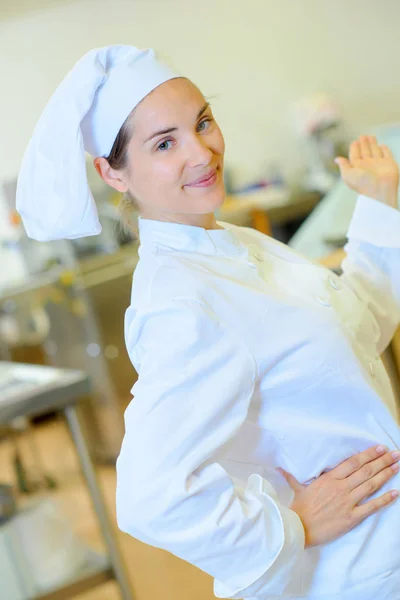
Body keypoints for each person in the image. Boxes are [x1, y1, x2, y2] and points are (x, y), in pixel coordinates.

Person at [16, 45, 400, 600]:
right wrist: (295, 526)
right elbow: (151, 496)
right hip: (348, 575)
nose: (202, 152)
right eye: (165, 143)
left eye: (202, 123)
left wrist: (381, 202)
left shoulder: (232, 245)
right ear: (111, 173)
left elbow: (354, 336)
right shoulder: (183, 302)